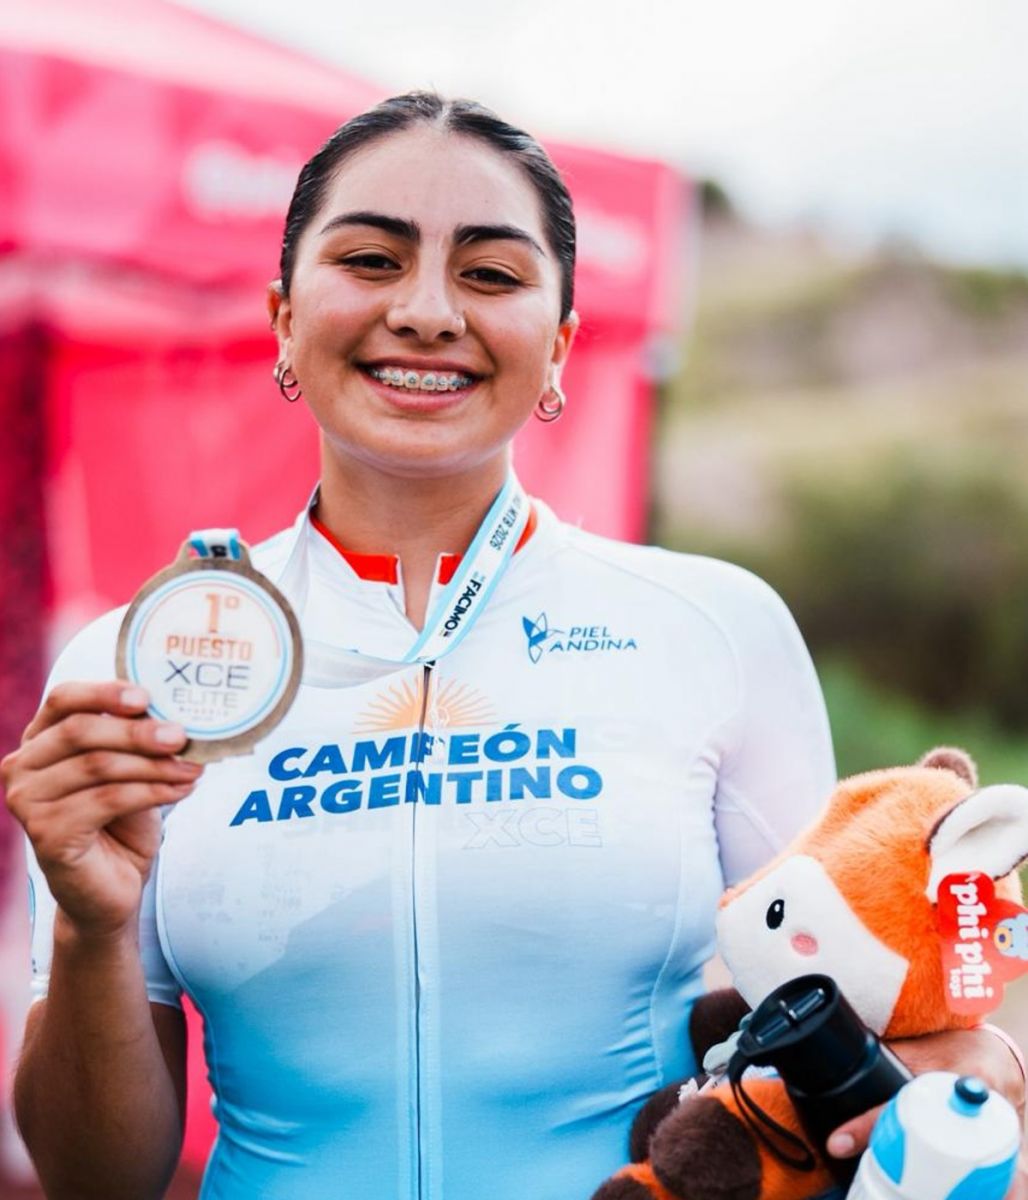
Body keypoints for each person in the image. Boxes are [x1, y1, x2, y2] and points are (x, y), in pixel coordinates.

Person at [2, 92, 1024, 1200]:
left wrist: (981, 1065)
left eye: (490, 274)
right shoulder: (144, 666)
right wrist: (92, 929)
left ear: (561, 346)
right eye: (371, 259)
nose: (426, 311)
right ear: (284, 317)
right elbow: (96, 1180)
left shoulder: (714, 628)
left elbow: (866, 1006)